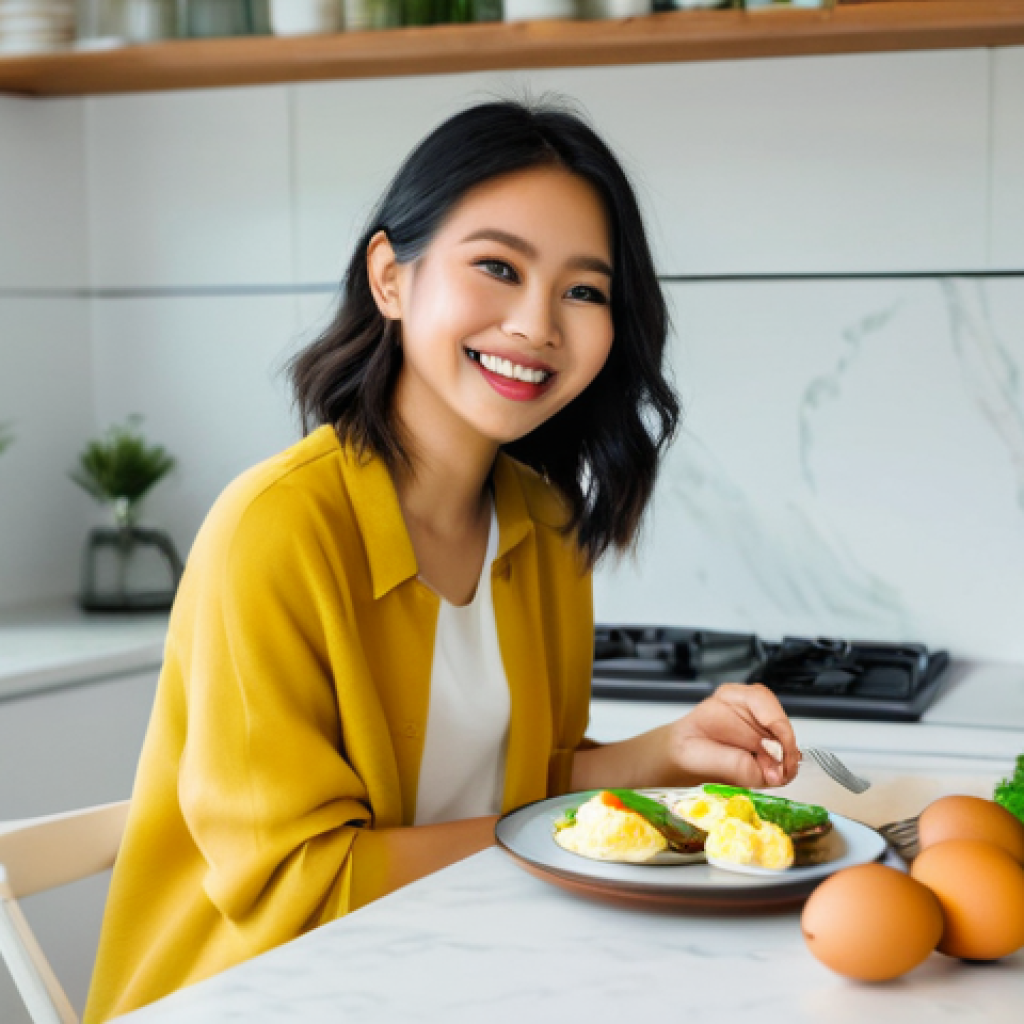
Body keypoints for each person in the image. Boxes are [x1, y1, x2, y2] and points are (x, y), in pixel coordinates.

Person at [84, 99, 799, 1023]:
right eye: (498, 267)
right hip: (250, 995)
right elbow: (303, 885)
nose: (537, 324)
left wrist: (666, 754)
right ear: (391, 277)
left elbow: (519, 788)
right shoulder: (275, 529)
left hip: (444, 973)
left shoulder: (545, 527)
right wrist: (558, 841)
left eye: (585, 291)